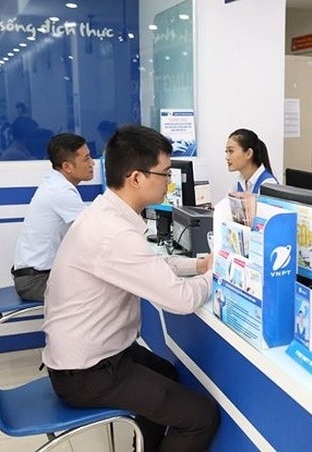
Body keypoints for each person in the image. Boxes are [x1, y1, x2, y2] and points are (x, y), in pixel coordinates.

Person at [42, 124, 219, 451]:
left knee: (165, 372)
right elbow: (181, 300)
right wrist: (218, 274)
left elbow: (147, 264)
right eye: (165, 173)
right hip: (86, 372)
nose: (169, 182)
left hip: (95, 354)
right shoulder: (115, 234)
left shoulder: (106, 214)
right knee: (201, 416)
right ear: (136, 178)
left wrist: (198, 266)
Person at [11, 133, 94, 301]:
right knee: (102, 291)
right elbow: (96, 230)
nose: (92, 163)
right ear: (67, 167)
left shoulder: (55, 184)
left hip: (37, 276)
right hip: (36, 281)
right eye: (86, 159)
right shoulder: (60, 191)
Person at [225, 128, 278, 194]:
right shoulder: (238, 182)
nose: (227, 157)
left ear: (248, 153)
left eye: (231, 151)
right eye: (226, 151)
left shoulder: (268, 184)